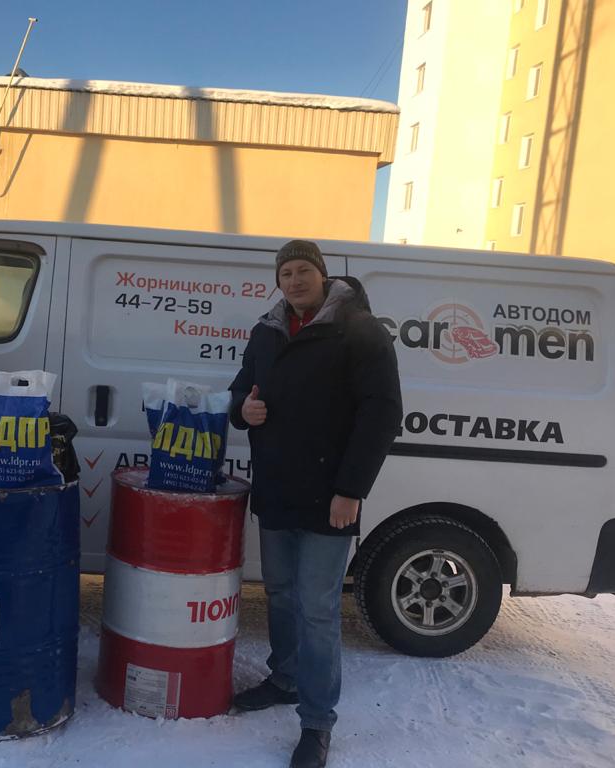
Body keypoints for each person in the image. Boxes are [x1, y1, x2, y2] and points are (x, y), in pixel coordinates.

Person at [229, 240, 402, 767]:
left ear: (324, 276)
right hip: (277, 491)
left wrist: (351, 491)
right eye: (286, 272)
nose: (295, 279)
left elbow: (382, 415)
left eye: (304, 270)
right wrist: (244, 411)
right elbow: (237, 392)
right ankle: (284, 679)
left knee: (319, 609)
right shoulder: (266, 330)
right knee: (280, 593)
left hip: (331, 498)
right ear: (277, 281)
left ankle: (317, 723)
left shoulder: (360, 331)